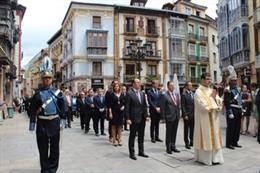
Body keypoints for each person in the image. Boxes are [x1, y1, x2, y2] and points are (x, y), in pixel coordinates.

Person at [28, 56, 66, 173]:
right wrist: (33, 123)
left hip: (54, 122)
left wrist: (62, 121)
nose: (47, 80)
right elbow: (31, 110)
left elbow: (62, 108)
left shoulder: (58, 92)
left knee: (55, 149)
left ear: (52, 79)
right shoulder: (37, 94)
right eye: (45, 78)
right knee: (43, 149)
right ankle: (45, 169)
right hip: (42, 124)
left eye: (49, 78)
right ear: (42, 79)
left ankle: (53, 169)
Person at [194, 73, 224, 166]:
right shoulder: (198, 91)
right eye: (207, 79)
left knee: (215, 137)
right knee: (206, 137)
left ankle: (216, 158)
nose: (209, 81)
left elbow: (219, 101)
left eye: (210, 79)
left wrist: (215, 99)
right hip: (205, 119)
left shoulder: (212, 90)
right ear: (202, 80)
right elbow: (202, 104)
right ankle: (206, 159)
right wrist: (212, 105)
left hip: (214, 119)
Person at [126, 78, 149, 160]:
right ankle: (131, 153)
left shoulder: (142, 93)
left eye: (139, 82)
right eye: (137, 82)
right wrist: (128, 118)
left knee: (141, 135)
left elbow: (144, 105)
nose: (139, 84)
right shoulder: (129, 93)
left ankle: (141, 151)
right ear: (133, 84)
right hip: (133, 118)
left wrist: (146, 116)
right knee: (132, 136)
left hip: (142, 118)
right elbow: (127, 107)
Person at [224, 66, 243, 149]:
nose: (235, 82)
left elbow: (239, 100)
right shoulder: (227, 90)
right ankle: (229, 143)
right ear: (230, 81)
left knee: (237, 128)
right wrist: (229, 112)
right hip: (232, 109)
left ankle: (235, 142)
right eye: (233, 80)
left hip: (238, 109)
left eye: (236, 80)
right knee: (231, 128)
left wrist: (241, 109)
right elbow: (227, 102)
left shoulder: (238, 90)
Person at [160, 81, 181, 154]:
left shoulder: (177, 95)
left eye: (173, 85)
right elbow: (162, 107)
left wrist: (179, 115)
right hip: (169, 117)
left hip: (176, 116)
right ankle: (168, 147)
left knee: (174, 132)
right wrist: (163, 118)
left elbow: (178, 106)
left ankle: (173, 146)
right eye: (171, 86)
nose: (172, 87)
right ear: (168, 86)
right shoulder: (165, 95)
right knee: (169, 133)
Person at [181, 81, 194, 149]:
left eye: (191, 85)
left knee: (192, 129)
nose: (191, 87)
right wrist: (184, 114)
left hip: (193, 114)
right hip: (187, 114)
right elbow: (182, 105)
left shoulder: (193, 94)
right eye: (189, 85)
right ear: (186, 86)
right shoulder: (184, 94)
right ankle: (186, 142)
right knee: (186, 129)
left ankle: (192, 140)